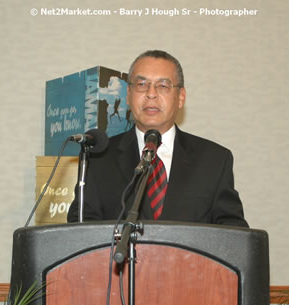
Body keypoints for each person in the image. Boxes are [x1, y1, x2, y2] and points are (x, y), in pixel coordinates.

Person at [67, 50, 248, 228]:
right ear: (128, 95)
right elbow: (81, 231)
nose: (151, 94)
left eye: (162, 86)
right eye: (141, 84)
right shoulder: (99, 157)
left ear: (181, 97)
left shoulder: (214, 160)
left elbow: (233, 232)